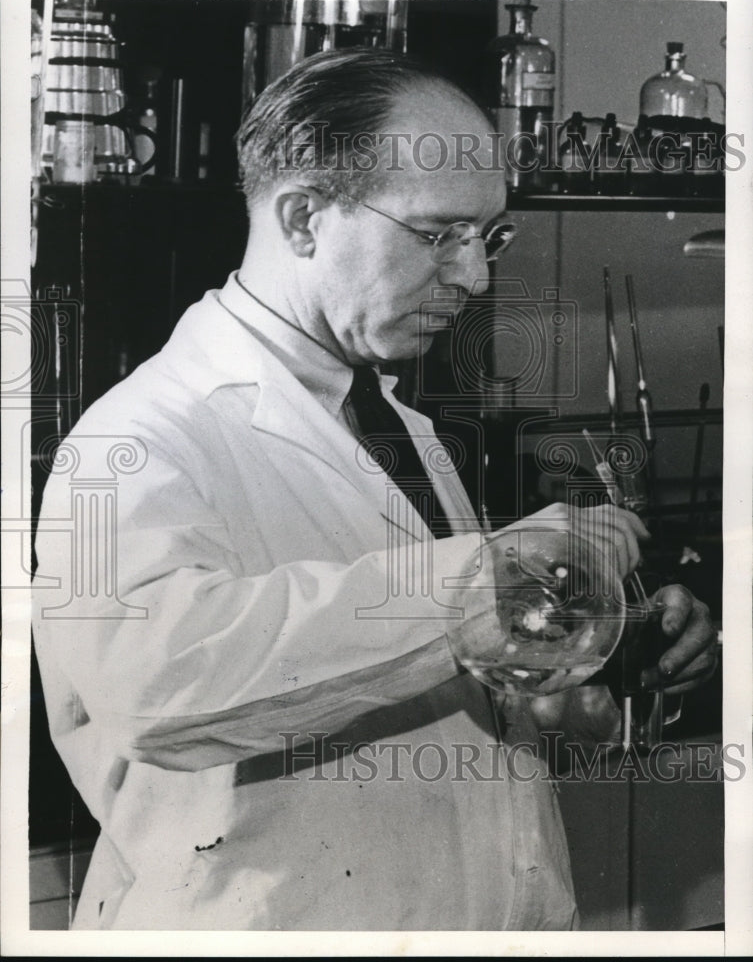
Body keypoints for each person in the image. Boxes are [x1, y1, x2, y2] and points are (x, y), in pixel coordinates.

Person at [32, 48, 716, 931]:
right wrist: (489, 583)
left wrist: (596, 658)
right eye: (438, 235)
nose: (473, 279)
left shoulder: (400, 426)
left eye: (487, 238)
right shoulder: (135, 438)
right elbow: (156, 688)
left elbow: (429, 696)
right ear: (305, 217)